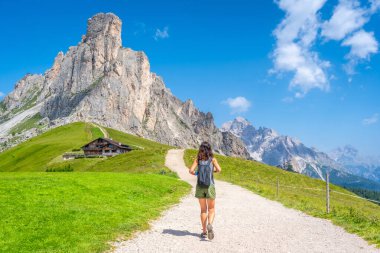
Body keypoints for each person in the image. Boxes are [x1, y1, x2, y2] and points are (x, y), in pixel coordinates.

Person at [188, 141, 222, 240]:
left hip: (200, 186)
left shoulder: (198, 159)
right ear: (209, 149)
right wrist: (213, 171)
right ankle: (210, 224)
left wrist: (197, 173)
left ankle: (204, 232)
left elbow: (191, 171)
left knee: (203, 209)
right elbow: (219, 169)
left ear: (201, 149)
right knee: (211, 209)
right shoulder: (213, 159)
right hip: (210, 186)